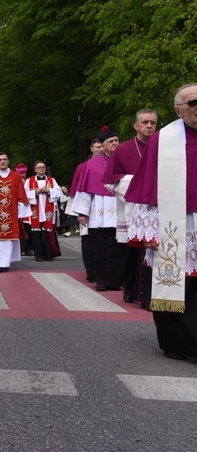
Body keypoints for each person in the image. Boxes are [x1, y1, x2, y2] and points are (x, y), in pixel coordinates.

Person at [126, 83, 197, 360]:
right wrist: (148, 228)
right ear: (178, 109)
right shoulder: (164, 139)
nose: (196, 107)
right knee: (174, 279)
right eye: (191, 103)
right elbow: (148, 183)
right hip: (174, 222)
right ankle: (177, 342)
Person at [103, 109, 158, 307]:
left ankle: (152, 292)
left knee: (154, 250)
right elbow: (109, 181)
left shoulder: (164, 148)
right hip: (132, 209)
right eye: (145, 122)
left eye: (152, 122)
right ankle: (130, 288)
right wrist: (139, 183)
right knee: (131, 252)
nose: (149, 126)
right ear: (136, 125)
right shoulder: (123, 150)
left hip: (158, 210)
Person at [71, 127, 122, 291]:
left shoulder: (123, 160)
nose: (115, 143)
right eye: (111, 141)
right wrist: (82, 212)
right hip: (98, 212)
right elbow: (85, 189)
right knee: (98, 248)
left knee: (117, 248)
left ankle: (115, 280)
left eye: (116, 140)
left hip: (118, 209)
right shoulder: (92, 165)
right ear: (103, 145)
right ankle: (100, 280)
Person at [0, 153, 30, 272]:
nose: (2, 162)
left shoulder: (16, 176)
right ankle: (0, 263)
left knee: (9, 238)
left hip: (11, 211)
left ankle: (5, 262)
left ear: (8, 161)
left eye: (5, 159)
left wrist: (21, 212)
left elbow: (20, 193)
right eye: (0, 160)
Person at [66, 138, 104, 282]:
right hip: (88, 209)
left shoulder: (111, 164)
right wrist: (78, 212)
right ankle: (91, 272)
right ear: (91, 149)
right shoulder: (84, 167)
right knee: (88, 240)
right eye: (97, 147)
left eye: (101, 147)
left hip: (106, 211)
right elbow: (76, 190)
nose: (100, 149)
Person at [24, 161, 62, 261]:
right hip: (35, 209)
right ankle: (39, 255)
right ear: (35, 169)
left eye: (43, 167)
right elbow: (24, 194)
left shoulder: (51, 180)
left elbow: (59, 192)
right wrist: (35, 192)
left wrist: (49, 191)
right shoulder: (30, 181)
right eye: (39, 167)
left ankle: (49, 255)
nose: (41, 169)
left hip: (47, 209)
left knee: (47, 232)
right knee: (36, 233)